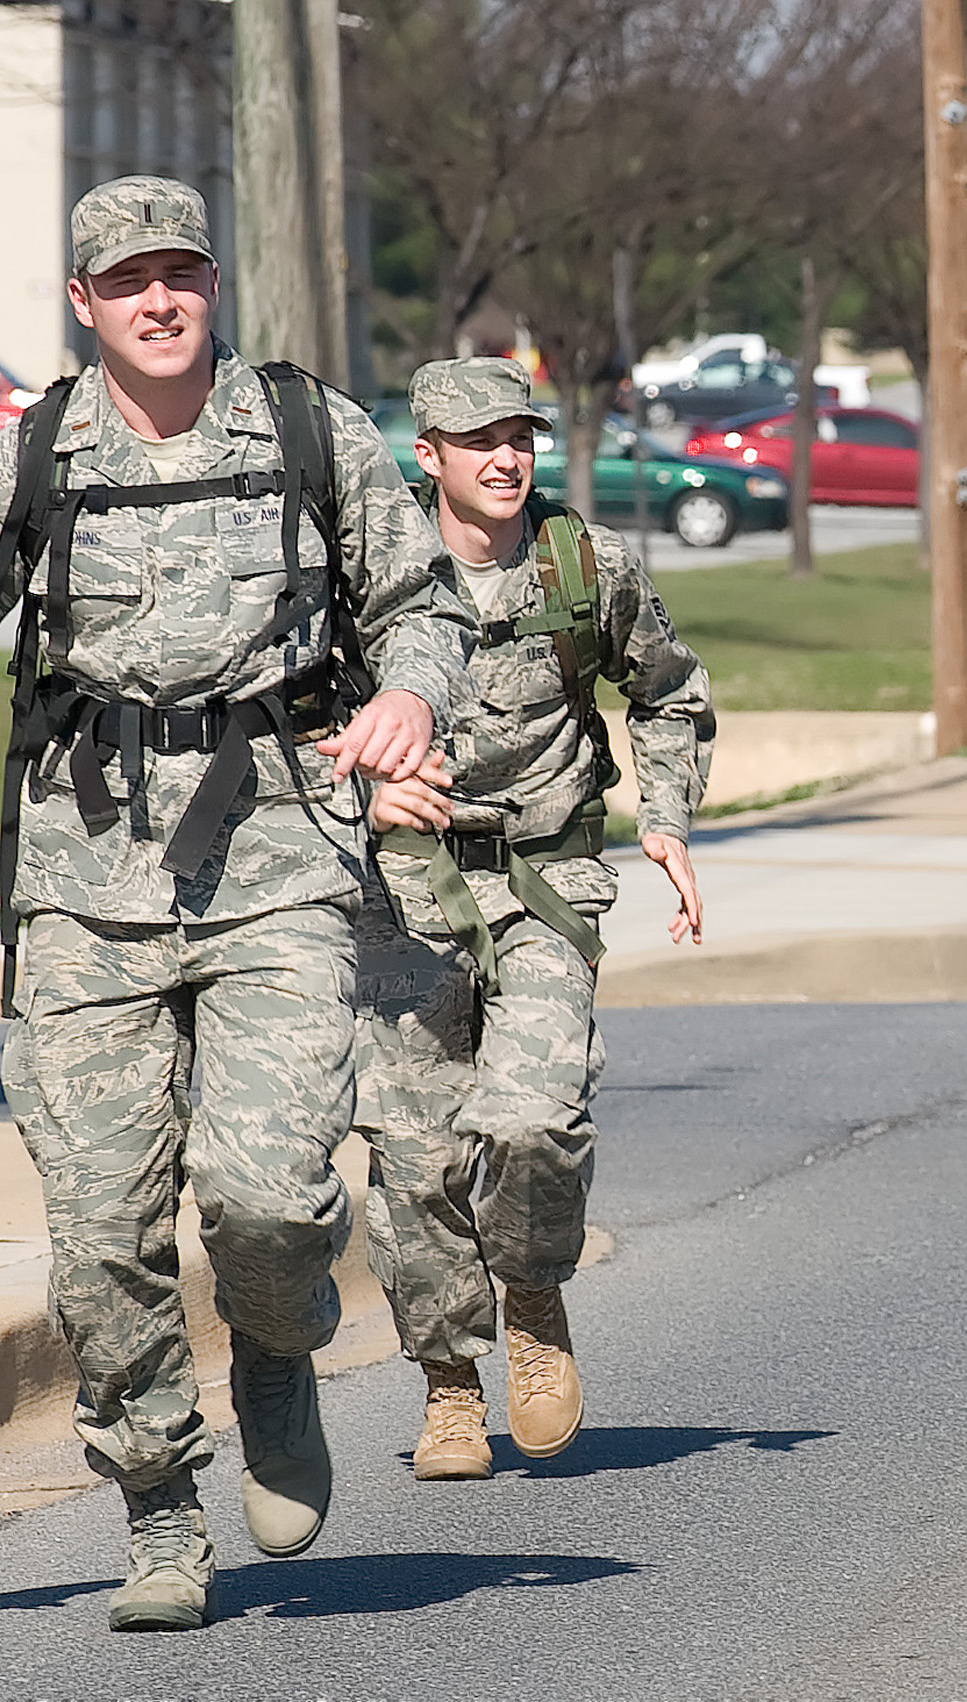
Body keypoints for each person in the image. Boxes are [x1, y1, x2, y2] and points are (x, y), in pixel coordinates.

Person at [0, 176, 474, 1631]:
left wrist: (407, 694)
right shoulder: (28, 457)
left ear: (215, 281)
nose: (159, 299)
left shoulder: (308, 430)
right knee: (100, 1234)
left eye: (182, 272)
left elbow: (426, 605)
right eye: (127, 278)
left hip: (276, 859)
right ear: (83, 301)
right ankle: (158, 1508)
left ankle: (276, 1341)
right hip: (84, 886)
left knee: (268, 1194)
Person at [355, 358, 714, 1482]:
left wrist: (665, 818)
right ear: (432, 454)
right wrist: (359, 789)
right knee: (414, 1164)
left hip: (548, 883)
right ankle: (451, 1385)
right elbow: (291, 727)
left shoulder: (582, 565)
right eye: (480, 441)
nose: (507, 458)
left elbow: (668, 689)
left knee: (531, 1122)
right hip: (401, 897)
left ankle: (534, 1296)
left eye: (521, 436)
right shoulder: (365, 577)